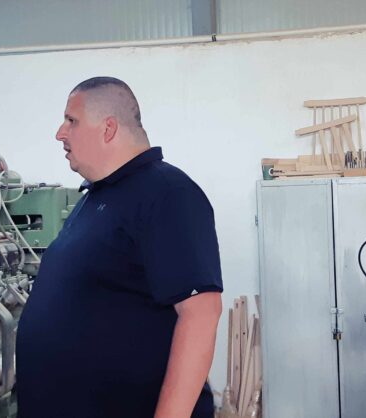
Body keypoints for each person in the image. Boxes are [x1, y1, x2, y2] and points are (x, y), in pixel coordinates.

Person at [16, 76, 223, 418]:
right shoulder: (96, 197)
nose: (60, 133)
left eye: (71, 121)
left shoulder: (167, 193)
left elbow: (201, 314)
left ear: (108, 128)